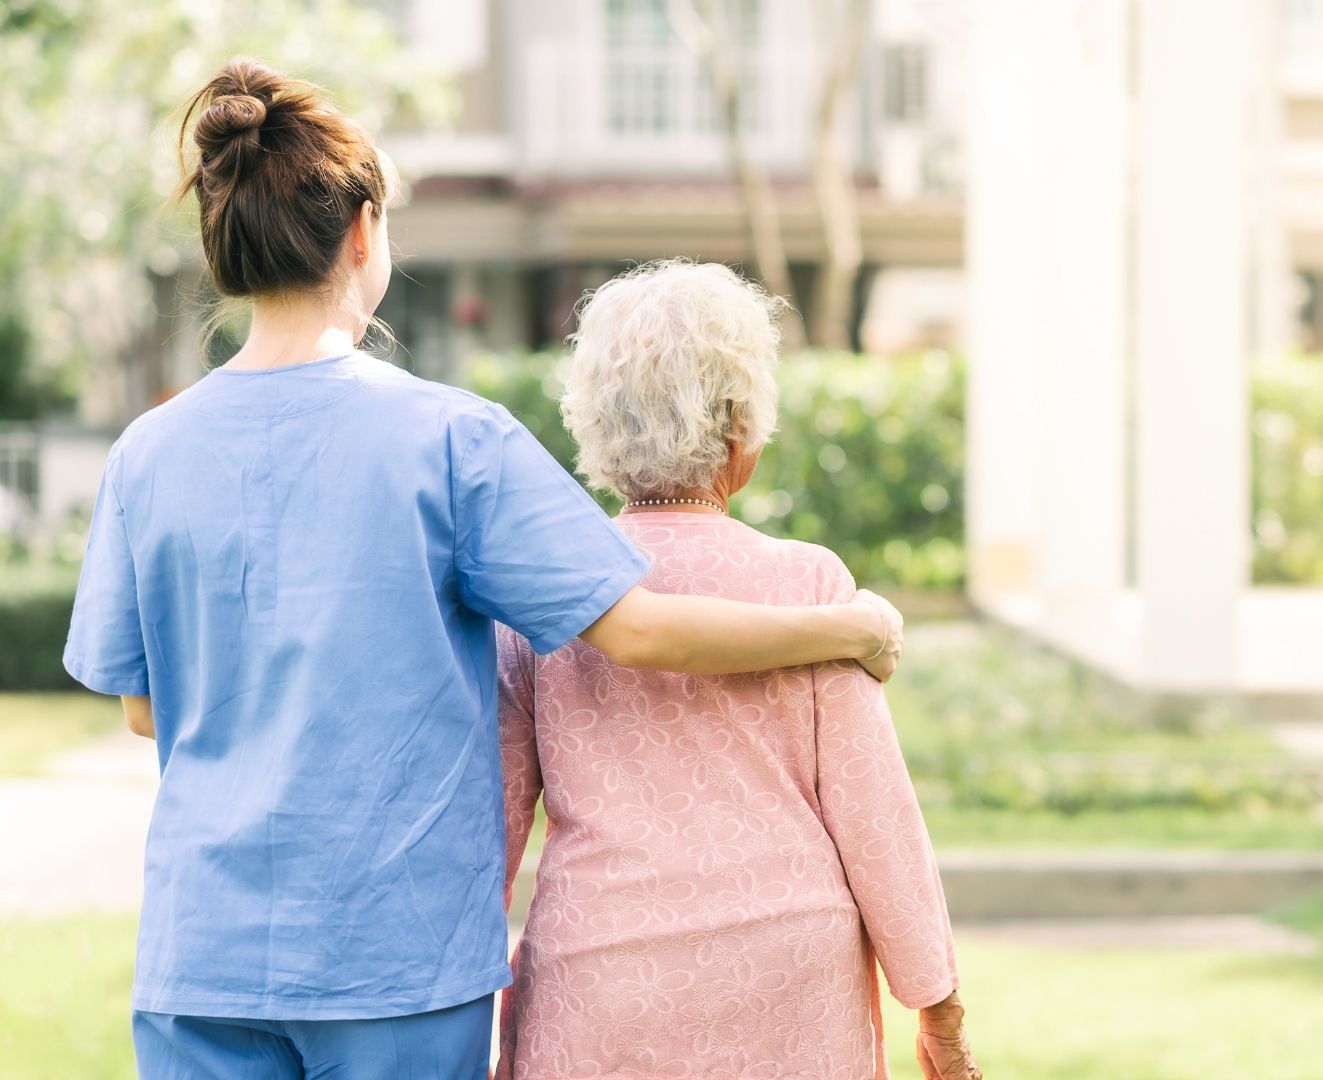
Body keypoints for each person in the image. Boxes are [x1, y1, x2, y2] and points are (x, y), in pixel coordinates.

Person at [61, 59, 904, 1080]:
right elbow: (638, 629)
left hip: (202, 960)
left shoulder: (146, 453)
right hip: (398, 967)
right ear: (363, 231)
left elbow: (145, 710)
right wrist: (847, 629)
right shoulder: (451, 441)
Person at [495, 261, 980, 1080]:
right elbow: (878, 818)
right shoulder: (811, 587)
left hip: (602, 974)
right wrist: (940, 1013)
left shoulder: (544, 598)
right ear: (739, 428)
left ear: (598, 425)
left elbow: (491, 828)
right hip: (791, 974)